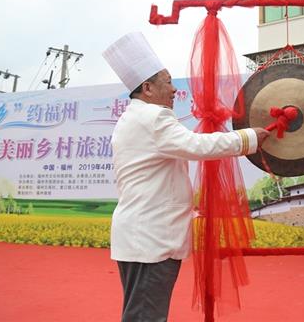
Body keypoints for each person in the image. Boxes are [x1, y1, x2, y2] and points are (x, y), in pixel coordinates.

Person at [102, 32, 270, 322]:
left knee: (140, 314)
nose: (174, 90)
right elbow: (197, 146)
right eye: (168, 82)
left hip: (139, 237)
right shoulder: (154, 118)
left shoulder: (132, 118)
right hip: (151, 240)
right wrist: (248, 138)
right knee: (146, 317)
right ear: (148, 88)